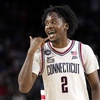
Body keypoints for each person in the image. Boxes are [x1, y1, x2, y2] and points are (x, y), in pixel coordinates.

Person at [18, 5, 100, 100]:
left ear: (66, 26)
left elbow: (96, 86)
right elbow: (23, 88)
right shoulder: (40, 52)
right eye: (46, 23)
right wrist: (30, 52)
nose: (49, 26)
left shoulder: (83, 50)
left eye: (53, 22)